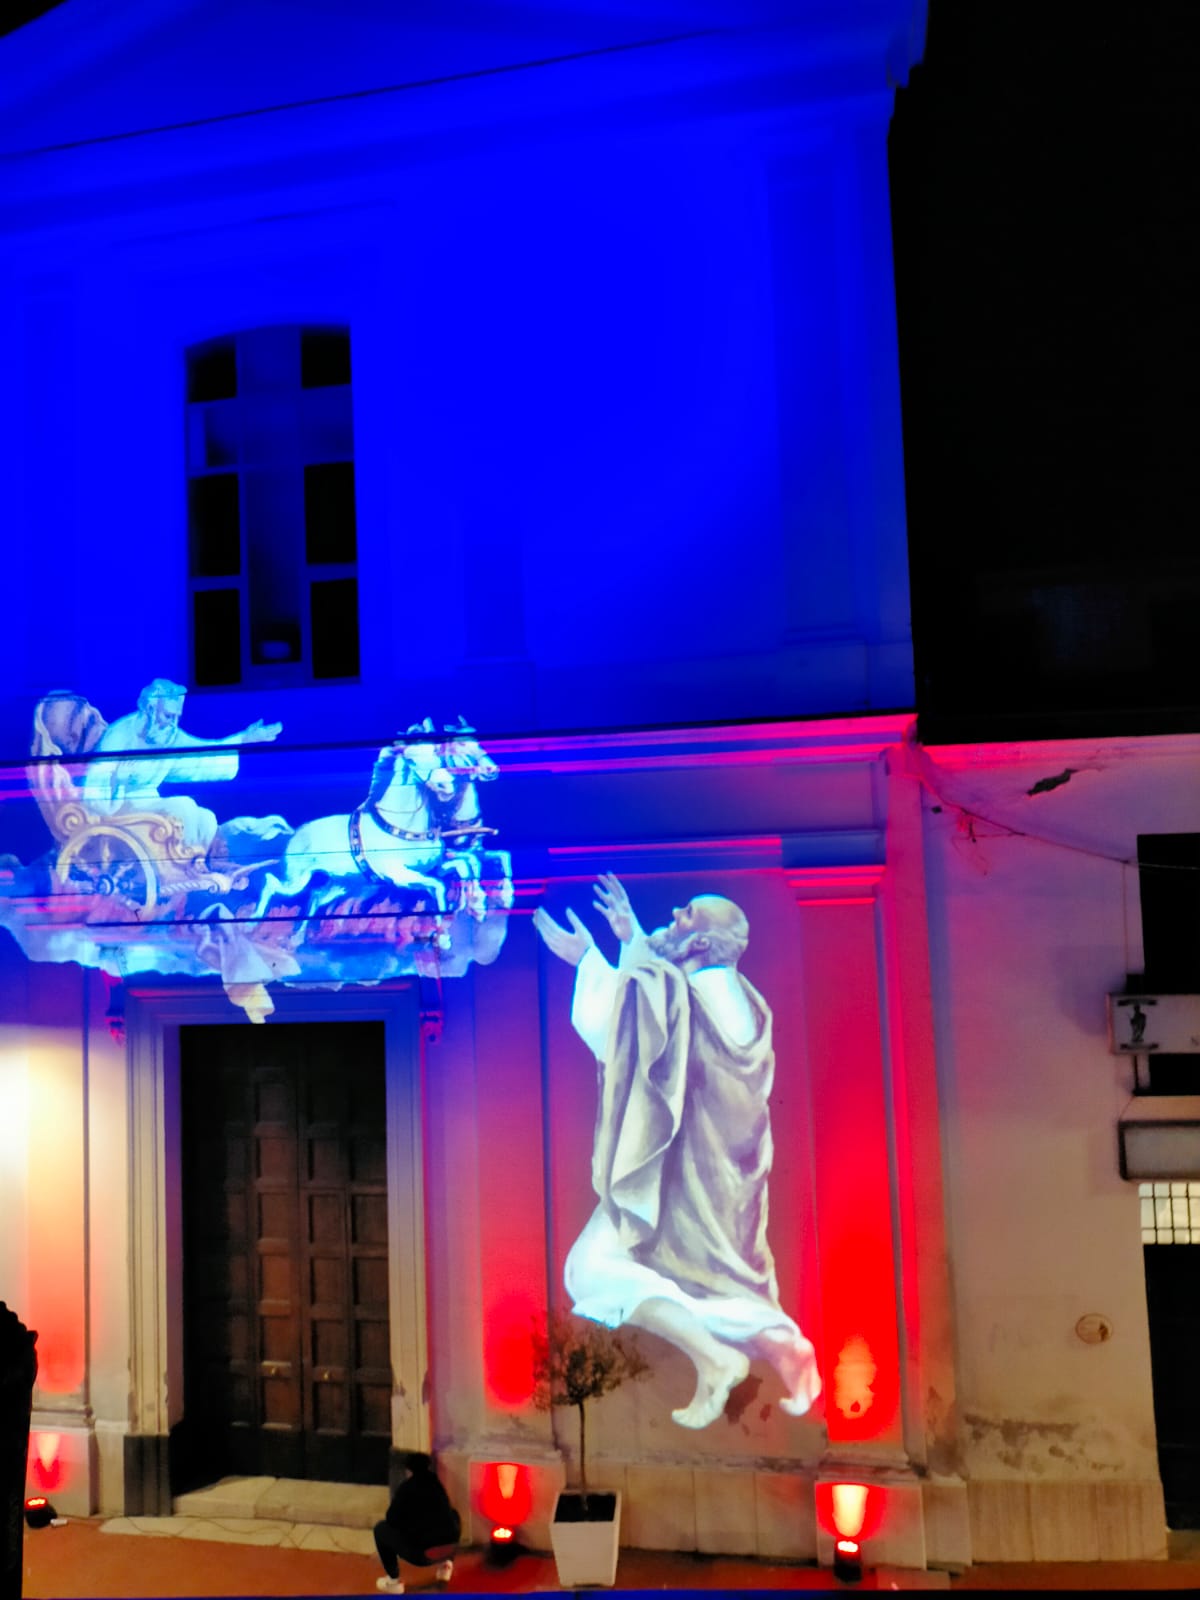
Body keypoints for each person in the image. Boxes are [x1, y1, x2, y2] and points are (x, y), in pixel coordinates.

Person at [533, 874, 821, 1430]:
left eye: (685, 915)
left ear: (701, 942)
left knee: (590, 1272)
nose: (673, 916)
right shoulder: (739, 996)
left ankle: (720, 1359)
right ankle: (781, 1345)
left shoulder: (692, 996)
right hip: (712, 1191)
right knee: (695, 1287)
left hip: (679, 1190)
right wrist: (627, 940)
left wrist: (590, 959)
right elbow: (659, 1007)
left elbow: (629, 1028)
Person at [81, 677, 282, 851]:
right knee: (181, 807)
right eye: (168, 716)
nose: (172, 723)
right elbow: (95, 792)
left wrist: (244, 739)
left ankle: (195, 866)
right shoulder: (119, 736)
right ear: (150, 709)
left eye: (177, 717)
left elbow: (202, 757)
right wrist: (119, 781)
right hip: (118, 810)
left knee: (206, 819)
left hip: (150, 803)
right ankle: (182, 869)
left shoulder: (169, 736)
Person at [373, 1451, 461, 1594]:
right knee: (454, 1515)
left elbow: (391, 1519)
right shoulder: (437, 1485)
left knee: (381, 1529)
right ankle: (446, 1566)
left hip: (422, 1554)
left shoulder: (406, 1488)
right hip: (448, 1549)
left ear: (409, 1470)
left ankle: (393, 1581)